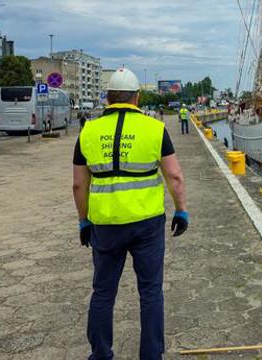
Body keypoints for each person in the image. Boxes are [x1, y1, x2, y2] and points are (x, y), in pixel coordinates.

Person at [72, 67, 188, 360]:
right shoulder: (155, 129)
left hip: (105, 224)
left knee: (103, 292)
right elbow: (175, 177)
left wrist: (83, 220)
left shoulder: (88, 131)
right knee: (150, 292)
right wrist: (181, 211)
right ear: (137, 98)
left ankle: (101, 353)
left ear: (108, 98)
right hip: (147, 224)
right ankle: (151, 354)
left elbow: (78, 184)